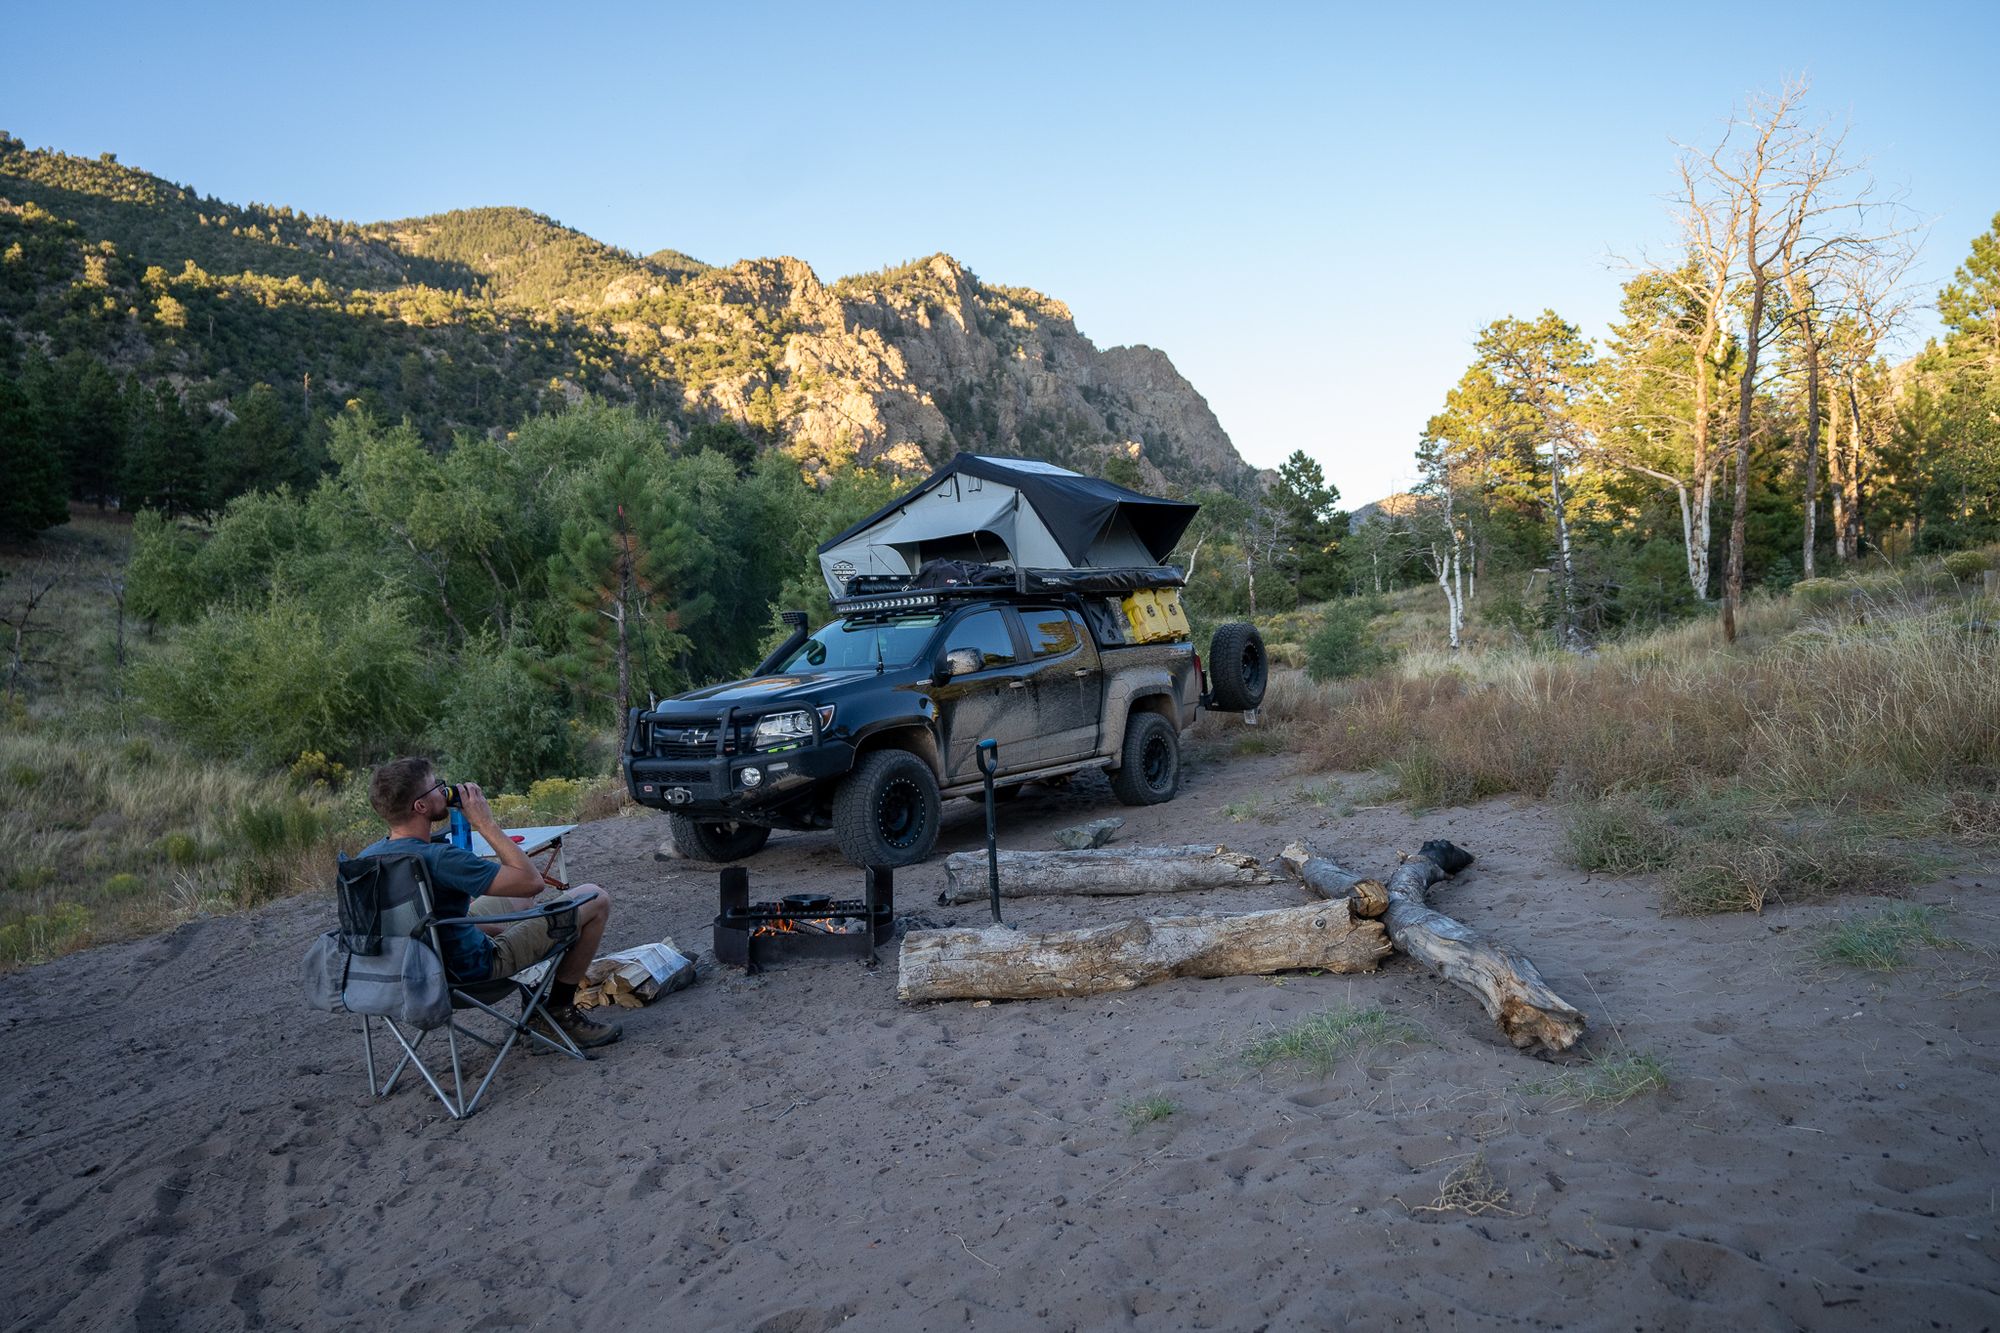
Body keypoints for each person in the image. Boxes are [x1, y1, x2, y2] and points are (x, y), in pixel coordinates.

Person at [361, 757, 620, 1049]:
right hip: (472, 974)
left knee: (517, 898)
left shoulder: (365, 861)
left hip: (402, 976)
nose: (445, 790)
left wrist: (489, 926)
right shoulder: (442, 859)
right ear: (420, 807)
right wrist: (484, 822)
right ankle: (557, 1011)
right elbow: (533, 881)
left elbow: (421, 922)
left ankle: (534, 995)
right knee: (594, 896)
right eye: (436, 786)